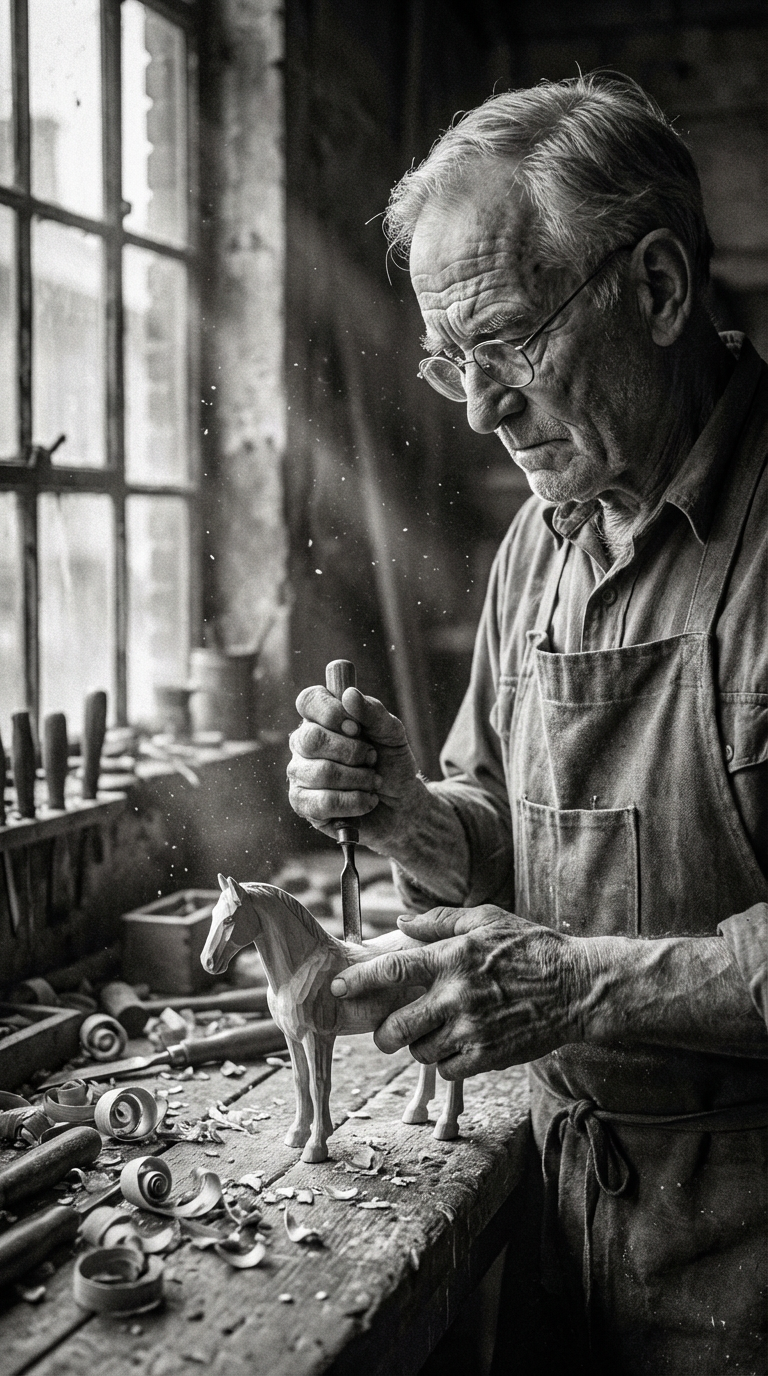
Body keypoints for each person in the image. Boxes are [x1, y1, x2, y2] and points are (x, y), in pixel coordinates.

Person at [287, 73, 767, 1374]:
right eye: (451, 362)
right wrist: (407, 817)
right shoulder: (535, 549)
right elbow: (501, 837)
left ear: (660, 292)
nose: (479, 410)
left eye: (506, 345)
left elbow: (563, 950)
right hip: (570, 1197)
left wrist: (574, 981)